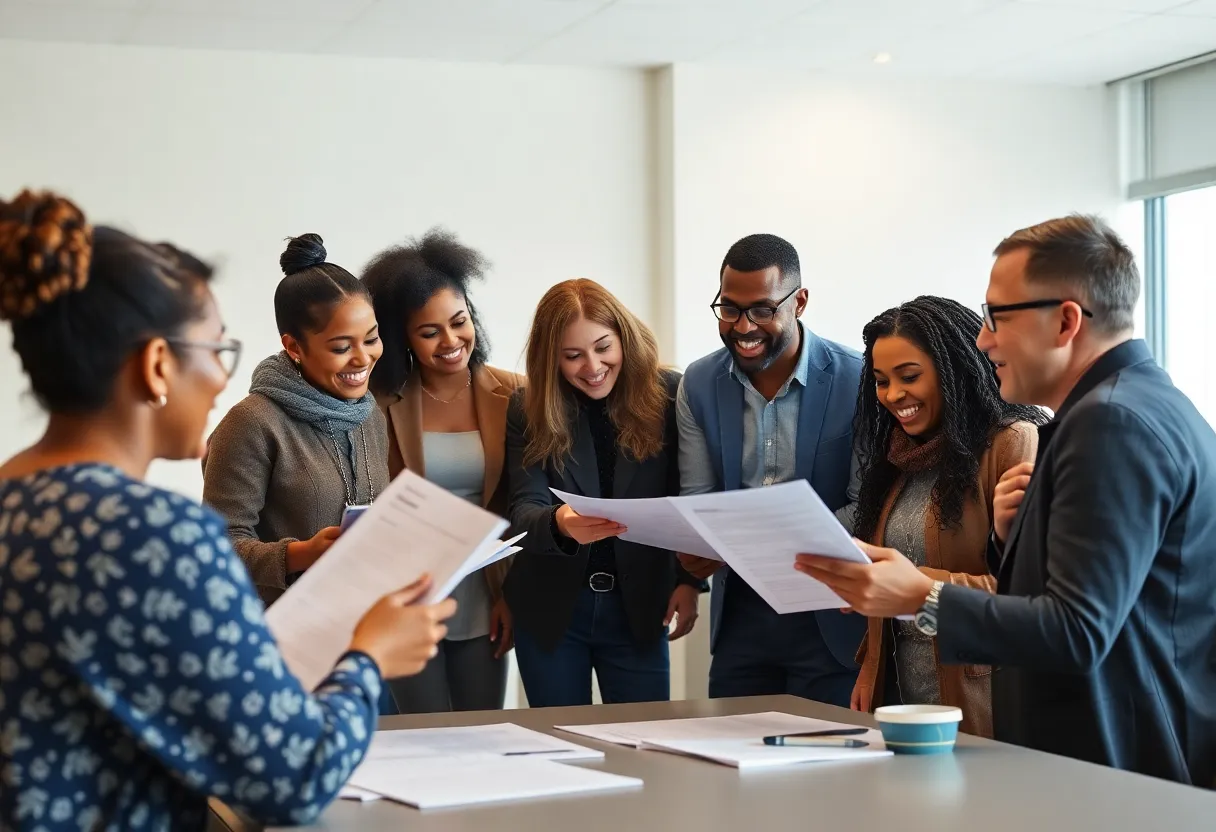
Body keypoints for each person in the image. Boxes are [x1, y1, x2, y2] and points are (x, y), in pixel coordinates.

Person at [0, 190, 455, 831]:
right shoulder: (159, 535)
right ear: (158, 364)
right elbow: (292, 776)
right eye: (217, 351)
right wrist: (370, 655)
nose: (222, 378)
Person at [797, 215, 1216, 786]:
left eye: (998, 317)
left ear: (1066, 320)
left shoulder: (1111, 423)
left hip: (1115, 772)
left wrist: (922, 594)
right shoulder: (1135, 405)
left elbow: (1076, 631)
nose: (983, 339)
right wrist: (1007, 538)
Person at [675, 233, 865, 706]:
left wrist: (757, 541)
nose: (743, 327)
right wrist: (693, 547)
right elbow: (699, 497)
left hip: (831, 618)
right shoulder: (698, 383)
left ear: (799, 302)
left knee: (829, 771)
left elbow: (867, 504)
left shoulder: (858, 378)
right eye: (730, 309)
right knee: (731, 766)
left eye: (762, 310)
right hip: (742, 622)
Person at [842, 295, 1045, 737]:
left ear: (954, 369)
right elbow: (892, 580)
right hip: (902, 700)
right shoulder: (900, 456)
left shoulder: (1011, 443)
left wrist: (921, 589)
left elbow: (1026, 594)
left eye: (909, 376)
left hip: (979, 699)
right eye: (880, 381)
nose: (893, 395)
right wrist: (870, 667)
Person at [504, 279, 701, 706]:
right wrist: (559, 523)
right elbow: (523, 511)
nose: (592, 366)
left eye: (602, 347)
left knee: (642, 746)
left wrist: (689, 581)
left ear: (624, 339)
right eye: (572, 356)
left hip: (641, 606)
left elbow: (688, 494)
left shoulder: (670, 393)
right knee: (558, 747)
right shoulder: (527, 406)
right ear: (550, 359)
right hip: (552, 609)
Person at [362, 229, 522, 713]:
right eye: (429, 332)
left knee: (482, 733)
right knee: (420, 733)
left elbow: (524, 503)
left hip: (487, 594)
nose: (451, 341)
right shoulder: (380, 404)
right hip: (410, 593)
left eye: (460, 321)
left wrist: (512, 596)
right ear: (402, 338)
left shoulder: (517, 394)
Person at [203, 233, 388, 609]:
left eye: (371, 339)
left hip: (363, 620)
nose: (363, 358)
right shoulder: (252, 423)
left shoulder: (370, 414)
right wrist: (300, 555)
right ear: (294, 348)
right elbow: (217, 545)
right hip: (281, 631)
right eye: (341, 347)